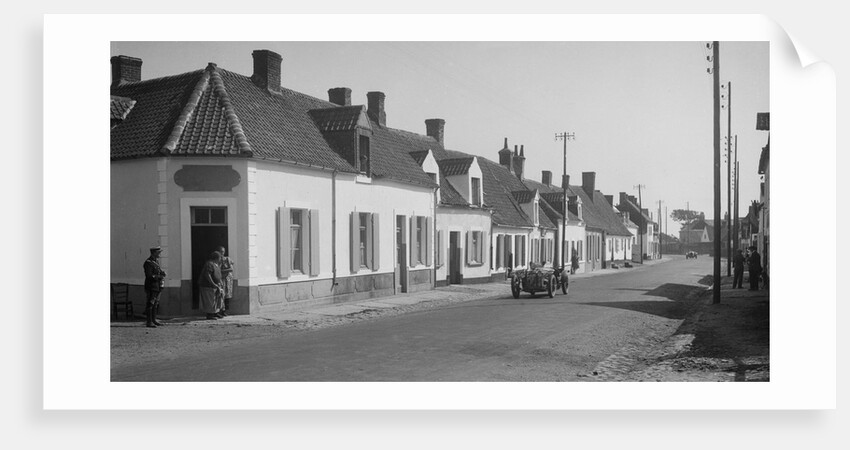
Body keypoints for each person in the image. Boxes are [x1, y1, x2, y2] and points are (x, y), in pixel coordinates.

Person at [143, 246, 167, 328]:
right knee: (150, 303)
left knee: (155, 304)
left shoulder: (156, 262)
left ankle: (154, 320)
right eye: (158, 253)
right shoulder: (148, 263)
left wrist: (162, 273)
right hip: (151, 286)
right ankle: (149, 322)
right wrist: (159, 276)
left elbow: (157, 272)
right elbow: (150, 276)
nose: (159, 254)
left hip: (157, 286)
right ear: (154, 253)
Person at [198, 251, 223, 320]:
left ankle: (215, 313)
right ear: (217, 258)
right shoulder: (209, 264)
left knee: (216, 300)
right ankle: (210, 315)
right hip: (208, 286)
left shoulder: (216, 264)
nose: (221, 259)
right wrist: (213, 283)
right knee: (210, 300)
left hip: (216, 286)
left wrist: (220, 282)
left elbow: (218, 275)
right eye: (220, 257)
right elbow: (208, 275)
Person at [217, 246, 234, 317]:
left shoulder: (227, 259)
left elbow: (231, 269)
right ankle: (220, 310)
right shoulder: (217, 260)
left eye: (223, 252)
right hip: (220, 279)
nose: (222, 253)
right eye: (220, 252)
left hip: (227, 279)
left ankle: (224, 310)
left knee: (227, 295)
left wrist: (221, 271)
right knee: (221, 295)